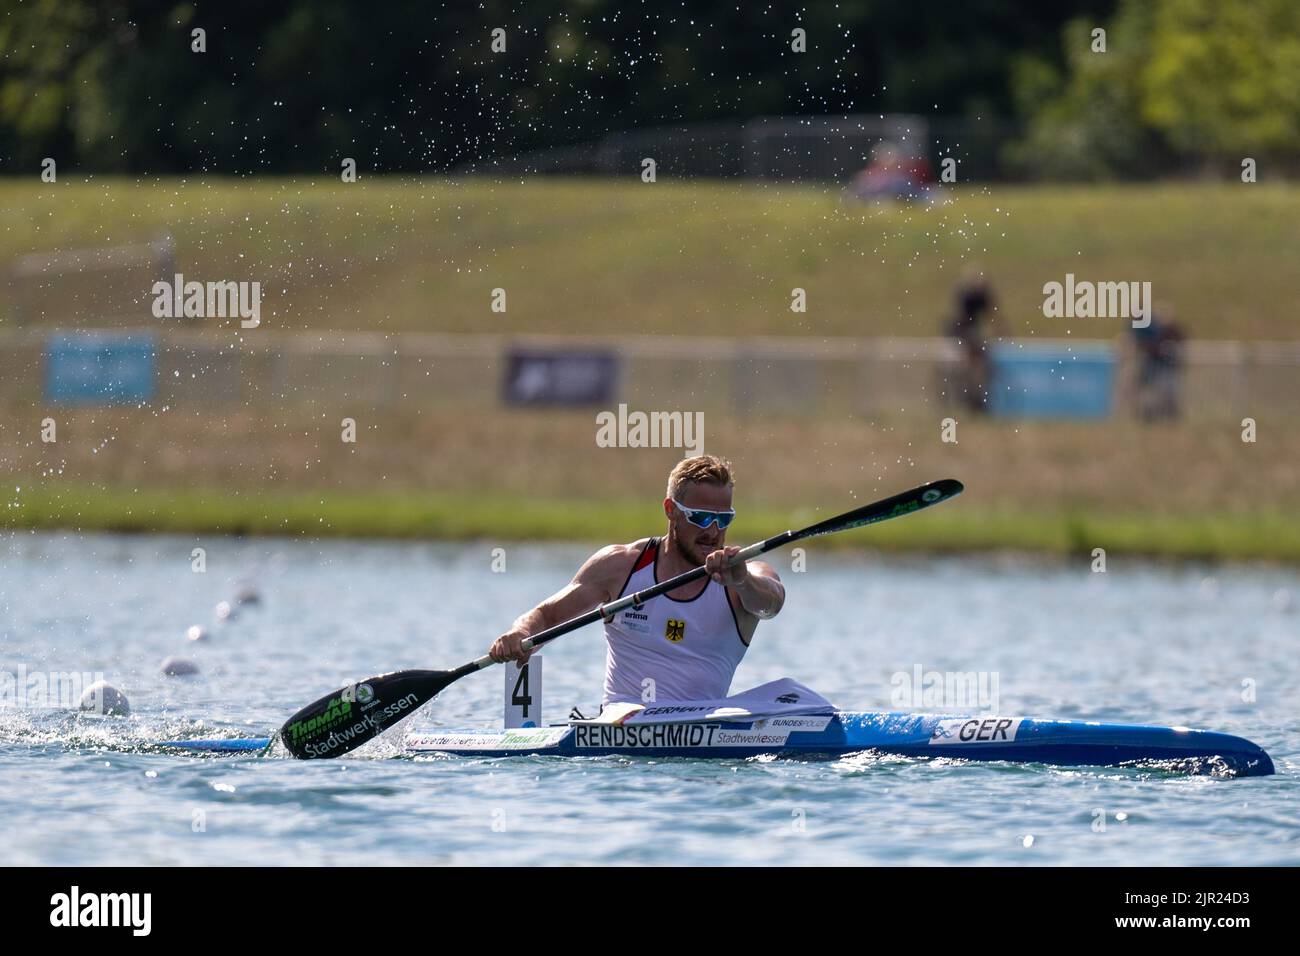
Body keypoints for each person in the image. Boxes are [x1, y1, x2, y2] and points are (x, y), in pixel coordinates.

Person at [488, 455, 785, 708]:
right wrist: (520, 633)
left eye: (723, 520)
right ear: (671, 510)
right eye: (701, 518)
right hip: (621, 744)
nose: (713, 532)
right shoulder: (622, 566)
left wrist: (743, 580)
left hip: (702, 745)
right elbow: (548, 615)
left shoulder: (744, 576)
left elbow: (771, 603)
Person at [944, 269, 998, 412]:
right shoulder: (967, 298)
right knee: (968, 366)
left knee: (979, 365)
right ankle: (968, 395)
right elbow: (962, 322)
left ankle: (974, 396)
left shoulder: (980, 297)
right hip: (961, 334)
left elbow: (993, 317)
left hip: (968, 333)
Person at [1131, 308, 1185, 420]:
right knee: (1150, 394)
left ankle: (1169, 416)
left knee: (1164, 394)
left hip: (1164, 368)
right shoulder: (1145, 330)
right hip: (1153, 368)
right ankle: (1149, 416)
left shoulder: (1157, 330)